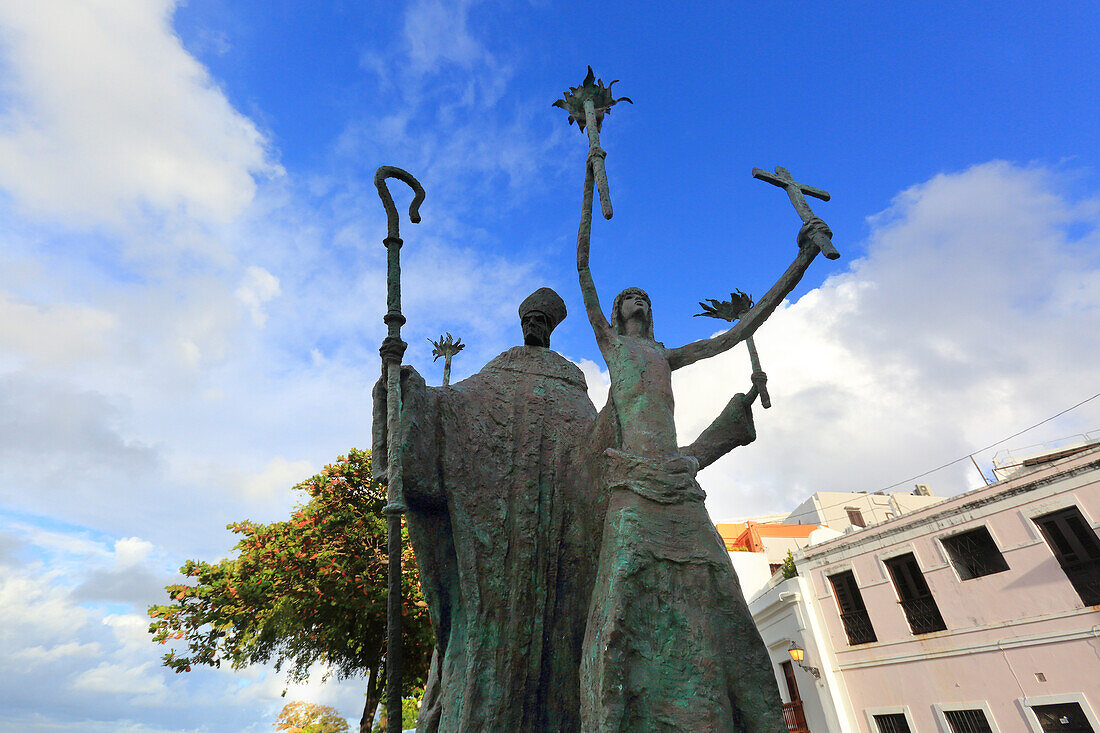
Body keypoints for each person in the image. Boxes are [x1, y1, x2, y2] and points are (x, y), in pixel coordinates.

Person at [573, 151, 833, 732]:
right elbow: (584, 270)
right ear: (616, 315)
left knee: (719, 583)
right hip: (630, 482)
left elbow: (740, 329)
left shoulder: (665, 355)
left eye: (642, 297)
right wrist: (589, 179)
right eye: (628, 298)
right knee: (618, 591)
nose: (635, 301)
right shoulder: (616, 350)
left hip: (678, 484)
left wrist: (803, 258)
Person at [373, 287, 610, 732]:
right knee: (487, 654)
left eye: (542, 320)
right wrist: (402, 386)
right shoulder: (498, 373)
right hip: (495, 561)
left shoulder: (570, 381)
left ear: (551, 327)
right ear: (522, 324)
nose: (534, 326)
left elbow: (590, 448)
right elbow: (450, 411)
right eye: (530, 319)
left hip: (561, 554)